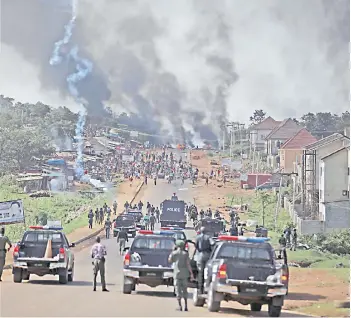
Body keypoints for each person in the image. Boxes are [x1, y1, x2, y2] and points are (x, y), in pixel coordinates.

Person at [168, 240, 194, 312]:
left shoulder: (174, 253)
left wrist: (173, 251)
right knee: (185, 290)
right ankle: (186, 306)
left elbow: (170, 260)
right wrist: (191, 274)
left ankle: (180, 306)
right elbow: (188, 264)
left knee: (178, 291)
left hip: (177, 274)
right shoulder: (185, 254)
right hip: (185, 274)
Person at [195, 226, 213, 294]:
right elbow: (213, 243)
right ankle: (207, 287)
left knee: (200, 272)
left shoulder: (198, 237)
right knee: (207, 272)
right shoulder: (208, 237)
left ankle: (200, 288)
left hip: (200, 255)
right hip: (207, 255)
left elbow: (196, 246)